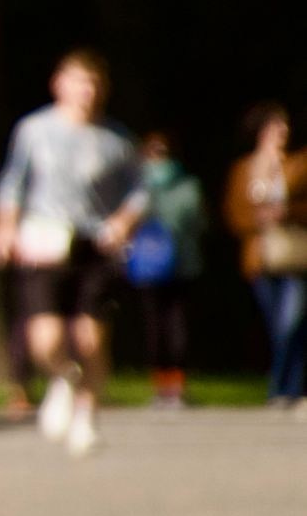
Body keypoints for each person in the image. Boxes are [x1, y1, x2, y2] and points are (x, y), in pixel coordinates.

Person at [0, 49, 147, 457]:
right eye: (78, 81)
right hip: (45, 241)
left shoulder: (116, 140)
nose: (85, 91)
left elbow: (140, 192)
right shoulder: (34, 130)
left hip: (96, 244)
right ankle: (62, 377)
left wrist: (123, 222)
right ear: (58, 84)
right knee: (46, 338)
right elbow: (12, 182)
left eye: (93, 83)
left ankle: (86, 418)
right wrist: (4, 227)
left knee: (91, 338)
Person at [224, 103, 307, 410]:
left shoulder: (299, 163)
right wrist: (257, 218)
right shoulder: (244, 168)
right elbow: (233, 212)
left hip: (294, 255)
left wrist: (288, 212)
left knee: (292, 321)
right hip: (259, 255)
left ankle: (284, 388)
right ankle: (287, 387)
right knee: (276, 324)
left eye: (284, 126)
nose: (282, 131)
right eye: (275, 126)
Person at [124, 131, 206, 408]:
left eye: (163, 152)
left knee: (178, 325)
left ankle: (178, 385)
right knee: (154, 327)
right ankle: (160, 385)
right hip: (147, 266)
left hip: (182, 265)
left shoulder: (188, 186)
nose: (158, 159)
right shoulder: (136, 187)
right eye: (153, 152)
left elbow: (197, 221)